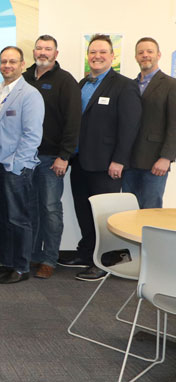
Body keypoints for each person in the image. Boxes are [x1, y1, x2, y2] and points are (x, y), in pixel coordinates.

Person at [67, 34, 141, 281]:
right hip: (80, 161)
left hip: (106, 164)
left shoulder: (123, 85)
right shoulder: (82, 83)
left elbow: (130, 126)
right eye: (92, 52)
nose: (96, 56)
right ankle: (88, 253)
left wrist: (119, 160)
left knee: (104, 215)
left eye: (102, 52)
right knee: (84, 210)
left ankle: (107, 260)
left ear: (112, 56)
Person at [22, 35, 81, 279]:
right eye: (39, 48)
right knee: (30, 209)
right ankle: (33, 255)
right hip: (26, 157)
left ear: (56, 53)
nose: (42, 52)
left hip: (51, 158)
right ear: (33, 51)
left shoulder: (65, 81)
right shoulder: (24, 78)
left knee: (50, 208)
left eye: (48, 49)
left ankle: (49, 259)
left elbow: (73, 121)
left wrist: (64, 156)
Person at [0, 46, 44, 284]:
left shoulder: (30, 95)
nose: (7, 65)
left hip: (14, 167)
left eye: (12, 61)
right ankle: (5, 260)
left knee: (19, 218)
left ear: (22, 65)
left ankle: (21, 266)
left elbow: (32, 136)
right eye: (3, 61)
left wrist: (17, 166)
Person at [122, 37, 176, 209]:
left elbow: (174, 124)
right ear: (136, 57)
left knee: (151, 213)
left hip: (155, 162)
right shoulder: (129, 85)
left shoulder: (171, 85)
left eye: (149, 51)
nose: (145, 55)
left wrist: (166, 157)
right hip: (129, 162)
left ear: (158, 55)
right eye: (140, 52)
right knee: (128, 213)